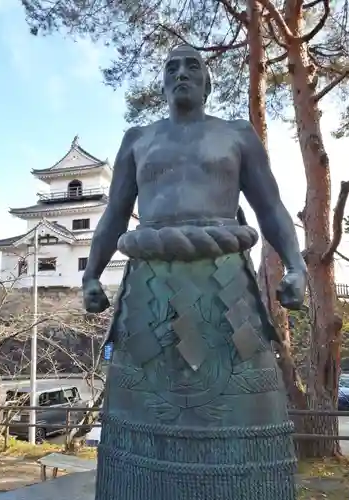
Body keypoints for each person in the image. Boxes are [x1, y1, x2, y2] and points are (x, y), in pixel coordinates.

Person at [83, 44, 306, 500]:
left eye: (192, 66)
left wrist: (298, 266)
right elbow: (113, 215)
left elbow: (271, 209)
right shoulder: (138, 139)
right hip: (149, 285)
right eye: (171, 67)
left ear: (207, 83)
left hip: (226, 284)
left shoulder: (238, 136)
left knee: (240, 397)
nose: (181, 72)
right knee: (143, 406)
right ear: (162, 84)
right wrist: (91, 274)